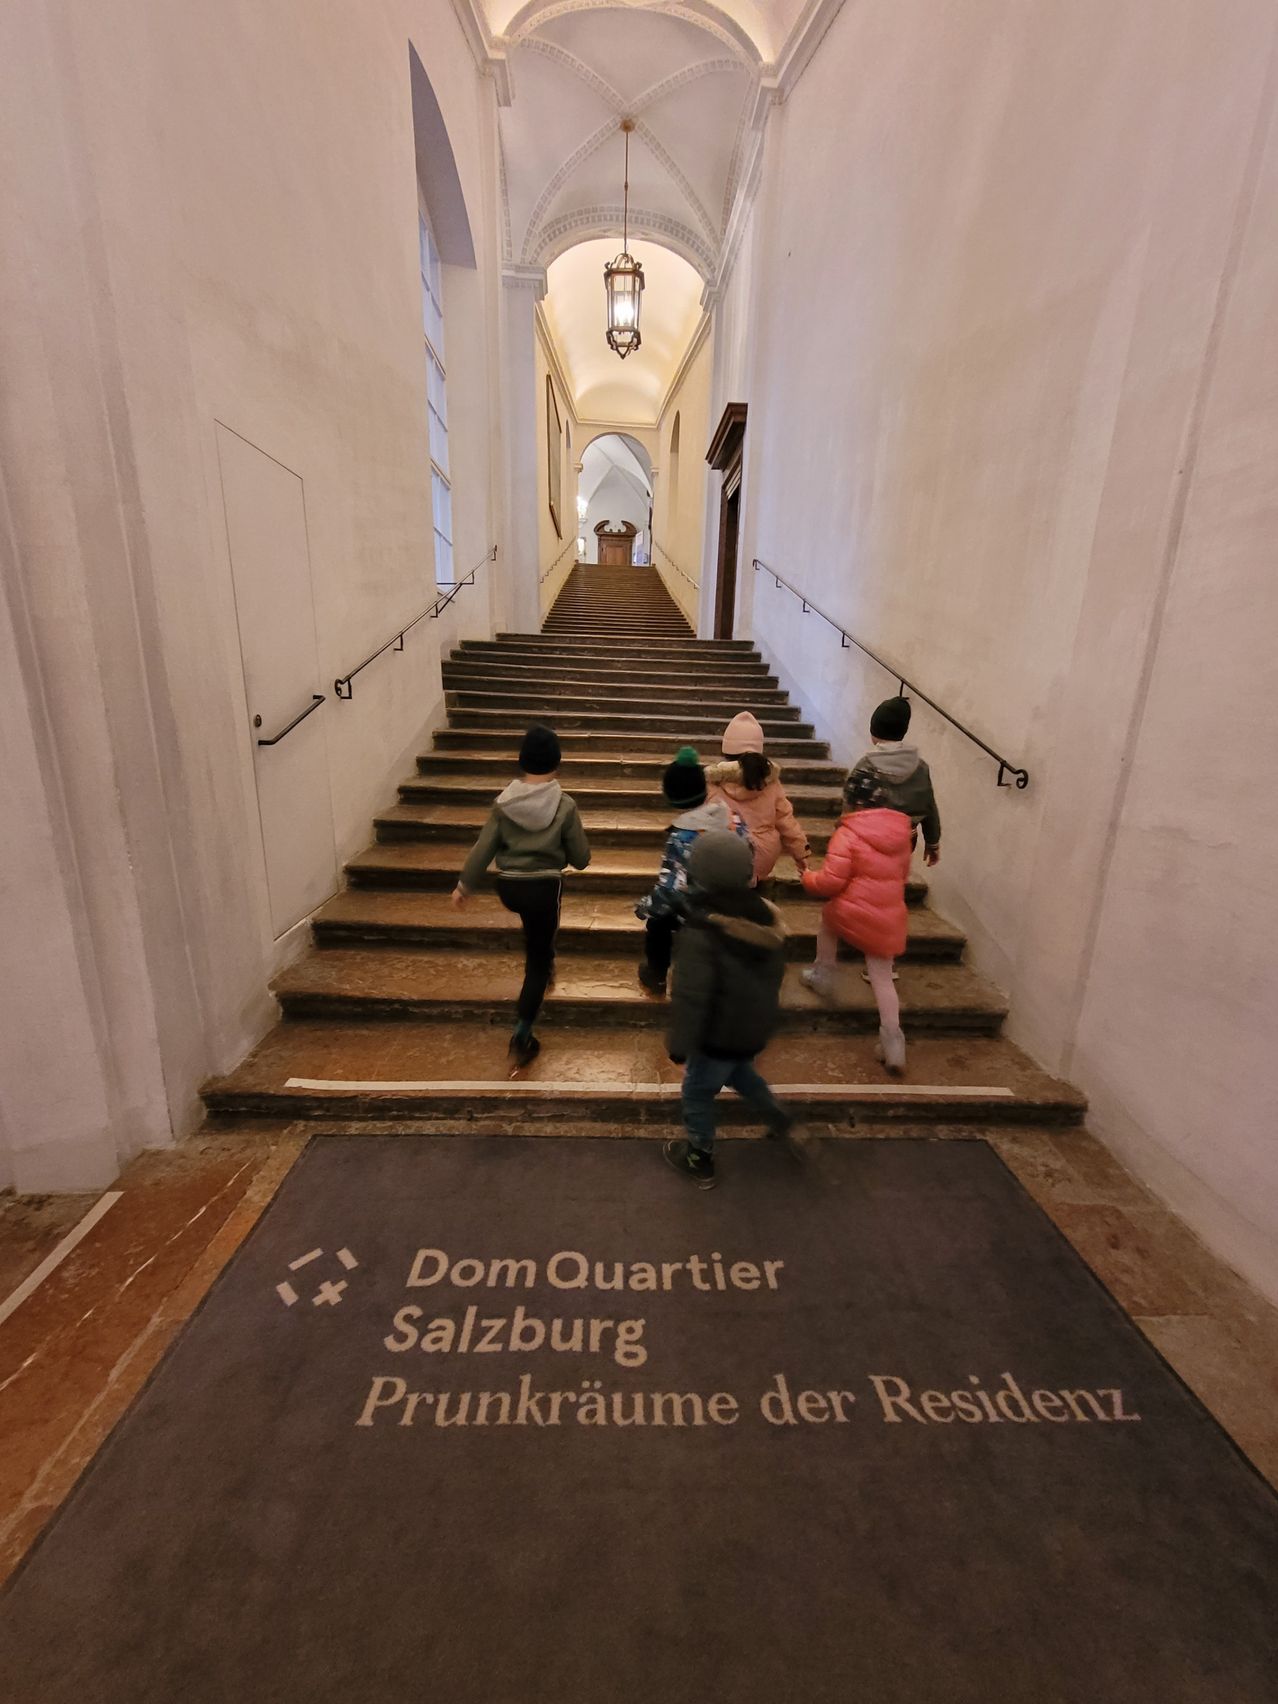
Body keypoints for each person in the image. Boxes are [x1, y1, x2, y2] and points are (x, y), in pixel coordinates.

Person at [451, 723, 589, 1068]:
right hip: (544, 887)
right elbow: (581, 859)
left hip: (510, 886)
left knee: (535, 928)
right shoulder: (565, 805)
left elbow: (483, 849)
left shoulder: (503, 803)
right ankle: (522, 1034)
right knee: (538, 961)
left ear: (521, 761)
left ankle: (540, 950)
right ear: (557, 763)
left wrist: (464, 886)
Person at [662, 831, 795, 1189]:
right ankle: (779, 1118)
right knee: (741, 1074)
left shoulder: (702, 929)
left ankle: (699, 1156)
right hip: (754, 1026)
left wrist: (679, 1043)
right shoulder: (767, 919)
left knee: (697, 1092)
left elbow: (691, 994)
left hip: (716, 1033)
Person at [799, 768, 912, 1076]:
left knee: (828, 919)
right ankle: (893, 1040)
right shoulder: (902, 834)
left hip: (852, 912)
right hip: (889, 915)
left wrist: (807, 878)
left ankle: (823, 971)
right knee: (882, 976)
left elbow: (830, 883)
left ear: (850, 802)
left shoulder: (847, 834)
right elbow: (902, 875)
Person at [635, 747, 751, 996]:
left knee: (658, 922)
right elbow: (749, 856)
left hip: (699, 910)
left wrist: (647, 906)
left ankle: (656, 974)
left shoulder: (681, 836)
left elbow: (670, 889)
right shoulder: (735, 820)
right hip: (735, 904)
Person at [705, 710, 811, 883]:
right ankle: (750, 881)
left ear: (727, 750)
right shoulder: (770, 782)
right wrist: (802, 855)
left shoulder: (713, 782)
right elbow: (787, 821)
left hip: (726, 856)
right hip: (763, 857)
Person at [850, 695, 941, 866]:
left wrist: (842, 834)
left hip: (871, 837)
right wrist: (932, 841)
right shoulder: (920, 767)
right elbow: (929, 805)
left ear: (874, 730)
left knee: (868, 879)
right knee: (892, 879)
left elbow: (850, 805)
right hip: (905, 839)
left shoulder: (866, 766)